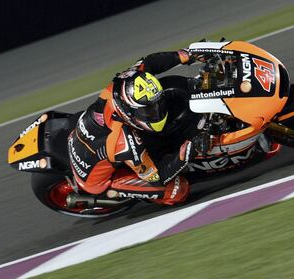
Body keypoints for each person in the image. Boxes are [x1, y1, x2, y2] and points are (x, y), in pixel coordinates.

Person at [67, 50, 201, 206]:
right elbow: (157, 177)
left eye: (157, 106)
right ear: (128, 110)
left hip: (89, 137)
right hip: (97, 181)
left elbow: (149, 63)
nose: (156, 112)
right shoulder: (122, 142)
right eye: (148, 111)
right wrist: (188, 151)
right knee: (177, 191)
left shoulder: (121, 86)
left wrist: (181, 55)